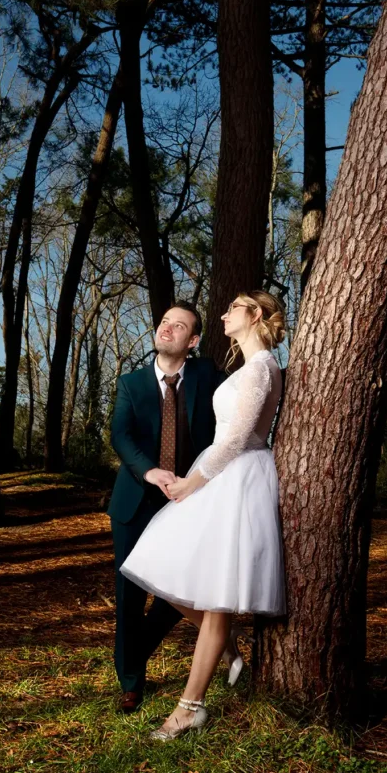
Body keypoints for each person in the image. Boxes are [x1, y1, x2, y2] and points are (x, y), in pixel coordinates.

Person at [120, 290, 286, 739]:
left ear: (253, 315)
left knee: (214, 599)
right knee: (160, 570)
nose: (224, 314)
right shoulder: (246, 368)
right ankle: (228, 647)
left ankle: (189, 707)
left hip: (235, 480)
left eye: (233, 308)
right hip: (220, 475)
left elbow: (236, 440)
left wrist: (193, 484)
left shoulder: (262, 368)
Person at [107, 302, 225, 713]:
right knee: (130, 593)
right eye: (164, 323)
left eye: (179, 326)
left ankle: (131, 654)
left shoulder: (207, 375)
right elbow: (119, 435)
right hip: (136, 500)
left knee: (180, 591)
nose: (167, 329)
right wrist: (149, 471)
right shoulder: (132, 382)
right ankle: (132, 683)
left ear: (192, 341)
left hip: (188, 501)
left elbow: (237, 411)